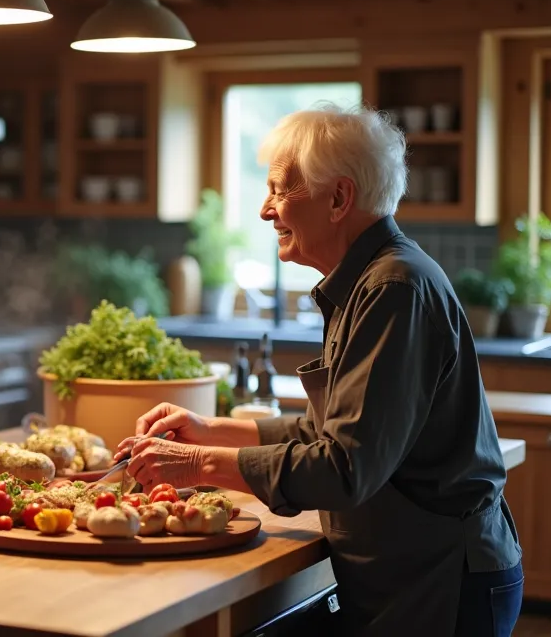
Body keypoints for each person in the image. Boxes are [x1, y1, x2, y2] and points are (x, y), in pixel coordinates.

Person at [115, 103, 523, 636]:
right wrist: (211, 429)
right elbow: (335, 430)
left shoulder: (392, 289)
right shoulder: (369, 281)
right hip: (416, 573)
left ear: (338, 199)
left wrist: (195, 463)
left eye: (281, 190)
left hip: (442, 580)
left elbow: (344, 468)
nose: (266, 210)